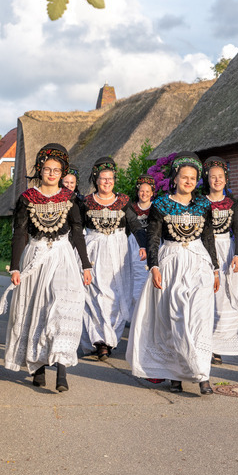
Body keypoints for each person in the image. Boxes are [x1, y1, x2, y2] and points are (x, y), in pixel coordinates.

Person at [0, 143, 92, 392]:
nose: (52, 174)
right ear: (40, 170)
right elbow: (19, 233)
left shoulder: (70, 198)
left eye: (57, 170)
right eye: (47, 169)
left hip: (63, 256)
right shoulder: (27, 199)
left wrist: (85, 265)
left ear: (63, 173)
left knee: (62, 307)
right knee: (35, 309)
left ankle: (61, 370)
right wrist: (15, 267)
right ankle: (38, 368)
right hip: (35, 255)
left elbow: (77, 232)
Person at [127, 152, 220, 395]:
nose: (189, 181)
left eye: (193, 178)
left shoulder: (203, 205)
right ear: (175, 179)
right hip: (171, 263)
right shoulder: (160, 205)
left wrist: (216, 268)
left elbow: (208, 237)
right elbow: (153, 237)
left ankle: (203, 375)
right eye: (184, 177)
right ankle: (175, 374)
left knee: (199, 317)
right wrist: (154, 266)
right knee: (175, 317)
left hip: (199, 262)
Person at [80, 156, 145, 361]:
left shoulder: (123, 202)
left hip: (118, 252)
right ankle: (100, 341)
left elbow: (134, 224)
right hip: (94, 251)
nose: (107, 182)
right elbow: (77, 228)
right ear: (96, 180)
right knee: (95, 296)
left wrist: (143, 244)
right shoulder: (87, 202)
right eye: (103, 179)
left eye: (110, 179)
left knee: (117, 295)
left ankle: (110, 339)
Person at [203, 156, 238, 363]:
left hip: (226, 251)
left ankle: (218, 344)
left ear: (225, 179)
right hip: (204, 250)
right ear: (207, 179)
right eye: (213, 177)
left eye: (220, 177)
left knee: (223, 300)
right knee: (206, 297)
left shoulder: (232, 204)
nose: (217, 180)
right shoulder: (200, 203)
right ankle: (205, 342)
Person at [127, 175, 156, 309]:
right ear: (138, 192)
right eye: (141, 191)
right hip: (135, 245)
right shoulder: (131, 208)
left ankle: (150, 309)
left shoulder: (156, 209)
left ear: (152, 193)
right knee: (137, 276)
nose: (144, 194)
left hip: (152, 242)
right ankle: (136, 310)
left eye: (147, 191)